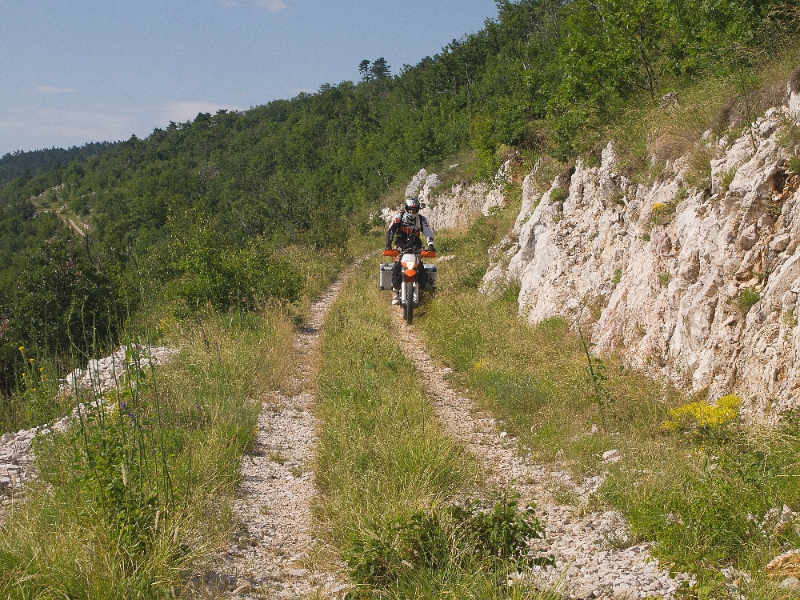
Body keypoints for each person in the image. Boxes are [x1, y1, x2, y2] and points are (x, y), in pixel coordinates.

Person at [385, 197, 435, 305]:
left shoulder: (422, 219)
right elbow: (391, 231)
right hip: (401, 244)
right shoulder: (399, 217)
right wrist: (388, 245)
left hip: (416, 245)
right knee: (397, 265)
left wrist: (431, 245)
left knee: (419, 265)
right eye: (410, 209)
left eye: (414, 209)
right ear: (406, 208)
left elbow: (428, 232)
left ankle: (421, 288)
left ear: (417, 209)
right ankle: (395, 291)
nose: (412, 212)